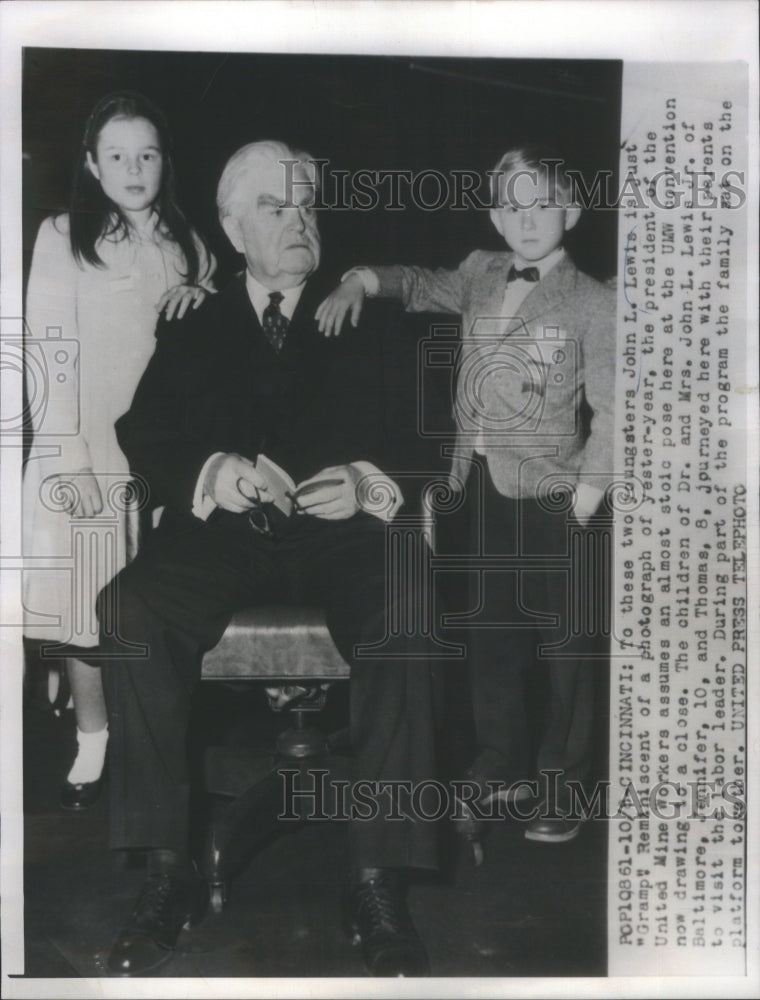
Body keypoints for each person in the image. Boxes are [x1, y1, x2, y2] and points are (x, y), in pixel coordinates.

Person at [96, 140, 439, 977]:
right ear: (232, 226)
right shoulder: (195, 319)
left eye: (308, 206)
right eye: (277, 208)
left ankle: (377, 880)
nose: (299, 222)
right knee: (129, 607)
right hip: (226, 537)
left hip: (342, 537)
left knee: (408, 603)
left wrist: (366, 483)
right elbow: (146, 431)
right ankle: (165, 873)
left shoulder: (372, 313)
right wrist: (215, 471)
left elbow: (426, 437)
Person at [315, 144, 616, 843]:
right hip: (474, 485)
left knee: (567, 643)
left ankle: (563, 785)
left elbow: (614, 410)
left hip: (552, 495)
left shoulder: (595, 302)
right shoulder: (481, 271)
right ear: (494, 215)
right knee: (491, 634)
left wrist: (588, 493)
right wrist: (363, 279)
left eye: (543, 202)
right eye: (513, 204)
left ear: (570, 210)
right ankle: (499, 763)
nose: (528, 217)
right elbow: (419, 285)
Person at [23, 91, 215, 811]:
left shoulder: (191, 245)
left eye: (148, 154)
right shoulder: (62, 235)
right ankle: (93, 736)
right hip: (85, 448)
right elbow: (51, 350)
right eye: (117, 156)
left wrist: (202, 296)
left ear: (165, 161)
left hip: (162, 459)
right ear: (91, 165)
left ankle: (149, 744)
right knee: (86, 602)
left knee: (147, 608)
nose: (134, 169)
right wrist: (70, 457)